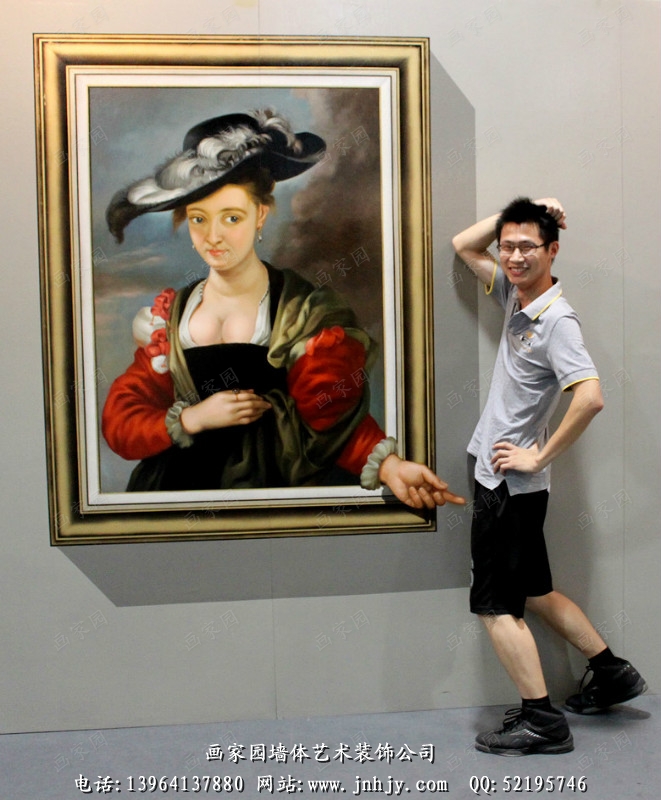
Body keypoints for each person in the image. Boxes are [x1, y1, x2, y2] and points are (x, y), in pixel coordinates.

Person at [102, 109, 463, 509]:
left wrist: (390, 466)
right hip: (178, 489)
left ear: (260, 215)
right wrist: (192, 419)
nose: (213, 236)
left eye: (231, 217)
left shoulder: (303, 310)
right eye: (198, 219)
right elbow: (122, 419)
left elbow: (332, 418)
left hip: (276, 482)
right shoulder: (171, 315)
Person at [452, 197, 646, 756]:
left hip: (508, 486)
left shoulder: (557, 320)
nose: (513, 256)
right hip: (509, 484)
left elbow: (590, 397)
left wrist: (538, 457)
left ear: (552, 251)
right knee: (534, 591)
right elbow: (464, 246)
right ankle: (611, 673)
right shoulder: (517, 297)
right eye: (508, 246)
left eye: (527, 247)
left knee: (495, 606)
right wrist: (530, 205)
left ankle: (542, 721)